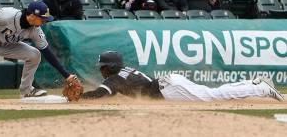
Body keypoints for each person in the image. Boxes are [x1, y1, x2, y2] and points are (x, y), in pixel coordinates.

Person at [81, 51, 284, 102]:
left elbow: (100, 93)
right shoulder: (123, 73)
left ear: (112, 67)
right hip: (168, 84)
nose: (101, 70)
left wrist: (80, 97)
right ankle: (254, 83)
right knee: (213, 92)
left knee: (213, 96)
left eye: (103, 66)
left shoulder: (114, 79)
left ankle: (261, 88)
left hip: (169, 88)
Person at [0, 1, 77, 97]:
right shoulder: (7, 15)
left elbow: (46, 51)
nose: (45, 21)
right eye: (43, 18)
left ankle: (26, 90)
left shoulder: (35, 29)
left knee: (34, 55)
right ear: (32, 15)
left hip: (7, 45)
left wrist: (66, 75)